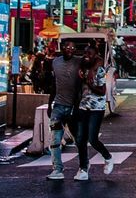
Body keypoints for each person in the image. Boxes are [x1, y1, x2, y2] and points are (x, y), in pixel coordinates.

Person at [73, 45, 113, 180]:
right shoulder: (83, 68)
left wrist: (89, 83)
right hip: (83, 107)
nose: (86, 55)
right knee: (80, 139)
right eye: (85, 53)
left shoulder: (99, 70)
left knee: (92, 138)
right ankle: (83, 168)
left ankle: (107, 157)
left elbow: (102, 91)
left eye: (90, 53)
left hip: (97, 108)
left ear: (95, 56)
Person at [47, 38, 82, 180]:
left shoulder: (79, 62)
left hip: (73, 107)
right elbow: (54, 85)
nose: (70, 49)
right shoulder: (55, 62)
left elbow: (81, 85)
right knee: (55, 140)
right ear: (62, 48)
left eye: (73, 48)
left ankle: (83, 166)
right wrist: (50, 104)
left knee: (78, 139)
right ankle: (57, 169)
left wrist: (77, 106)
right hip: (58, 106)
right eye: (68, 47)